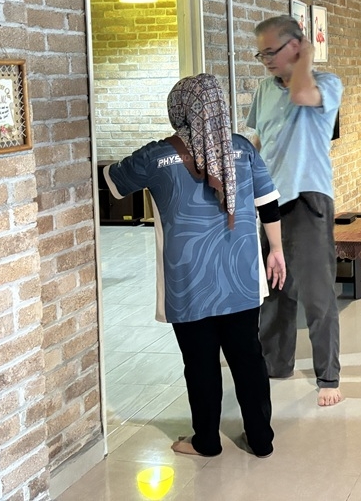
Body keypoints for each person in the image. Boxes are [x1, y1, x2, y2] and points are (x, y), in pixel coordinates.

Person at [103, 73, 286, 457]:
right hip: (240, 278)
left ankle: (206, 440)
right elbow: (268, 202)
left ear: (179, 110)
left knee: (200, 364)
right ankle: (261, 439)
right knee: (248, 357)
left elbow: (113, 181)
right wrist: (276, 251)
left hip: (187, 283)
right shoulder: (243, 148)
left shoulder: (155, 157)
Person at [247, 15, 344, 407]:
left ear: (297, 46)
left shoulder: (327, 84)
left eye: (272, 51)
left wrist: (307, 57)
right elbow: (257, 139)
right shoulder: (263, 90)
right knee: (274, 290)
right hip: (269, 199)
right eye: (261, 53)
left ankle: (328, 377)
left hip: (308, 198)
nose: (266, 60)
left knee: (317, 295)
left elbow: (302, 95)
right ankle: (275, 364)